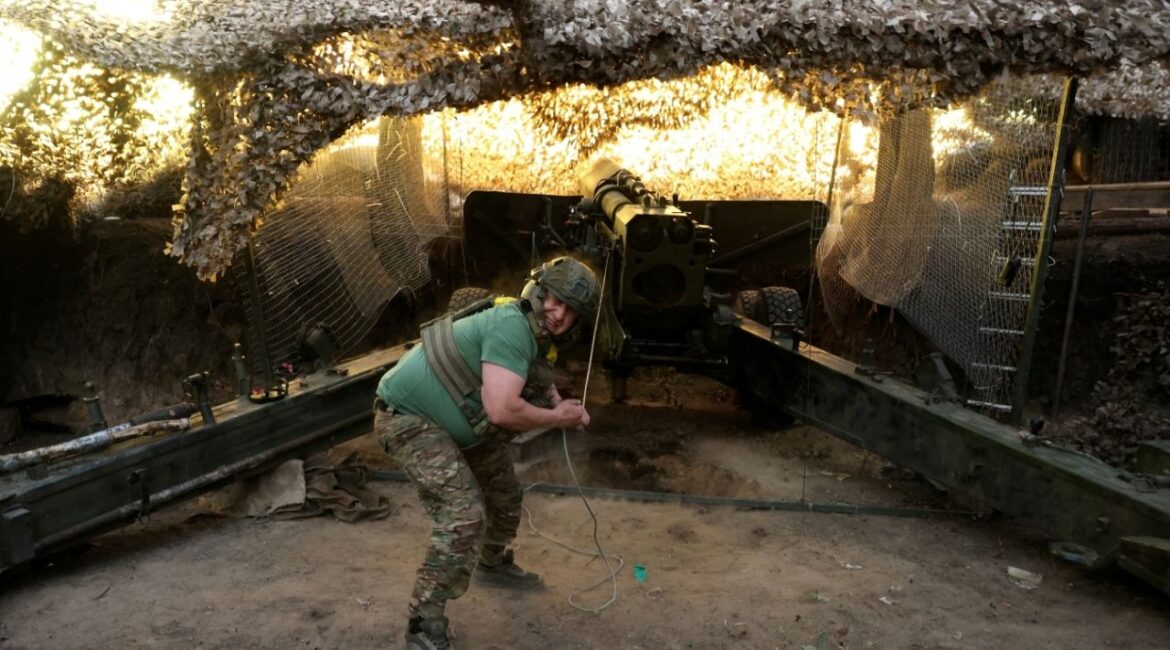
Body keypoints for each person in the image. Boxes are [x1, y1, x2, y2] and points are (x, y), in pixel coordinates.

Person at [374, 256, 601, 650]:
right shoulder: (512, 325)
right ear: (540, 292)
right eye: (555, 300)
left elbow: (537, 382)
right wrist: (556, 419)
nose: (558, 313)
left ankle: (492, 562)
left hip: (453, 424)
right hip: (408, 418)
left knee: (505, 493)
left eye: (569, 310)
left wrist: (561, 404)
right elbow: (500, 409)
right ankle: (423, 624)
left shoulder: (535, 337)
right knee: (462, 516)